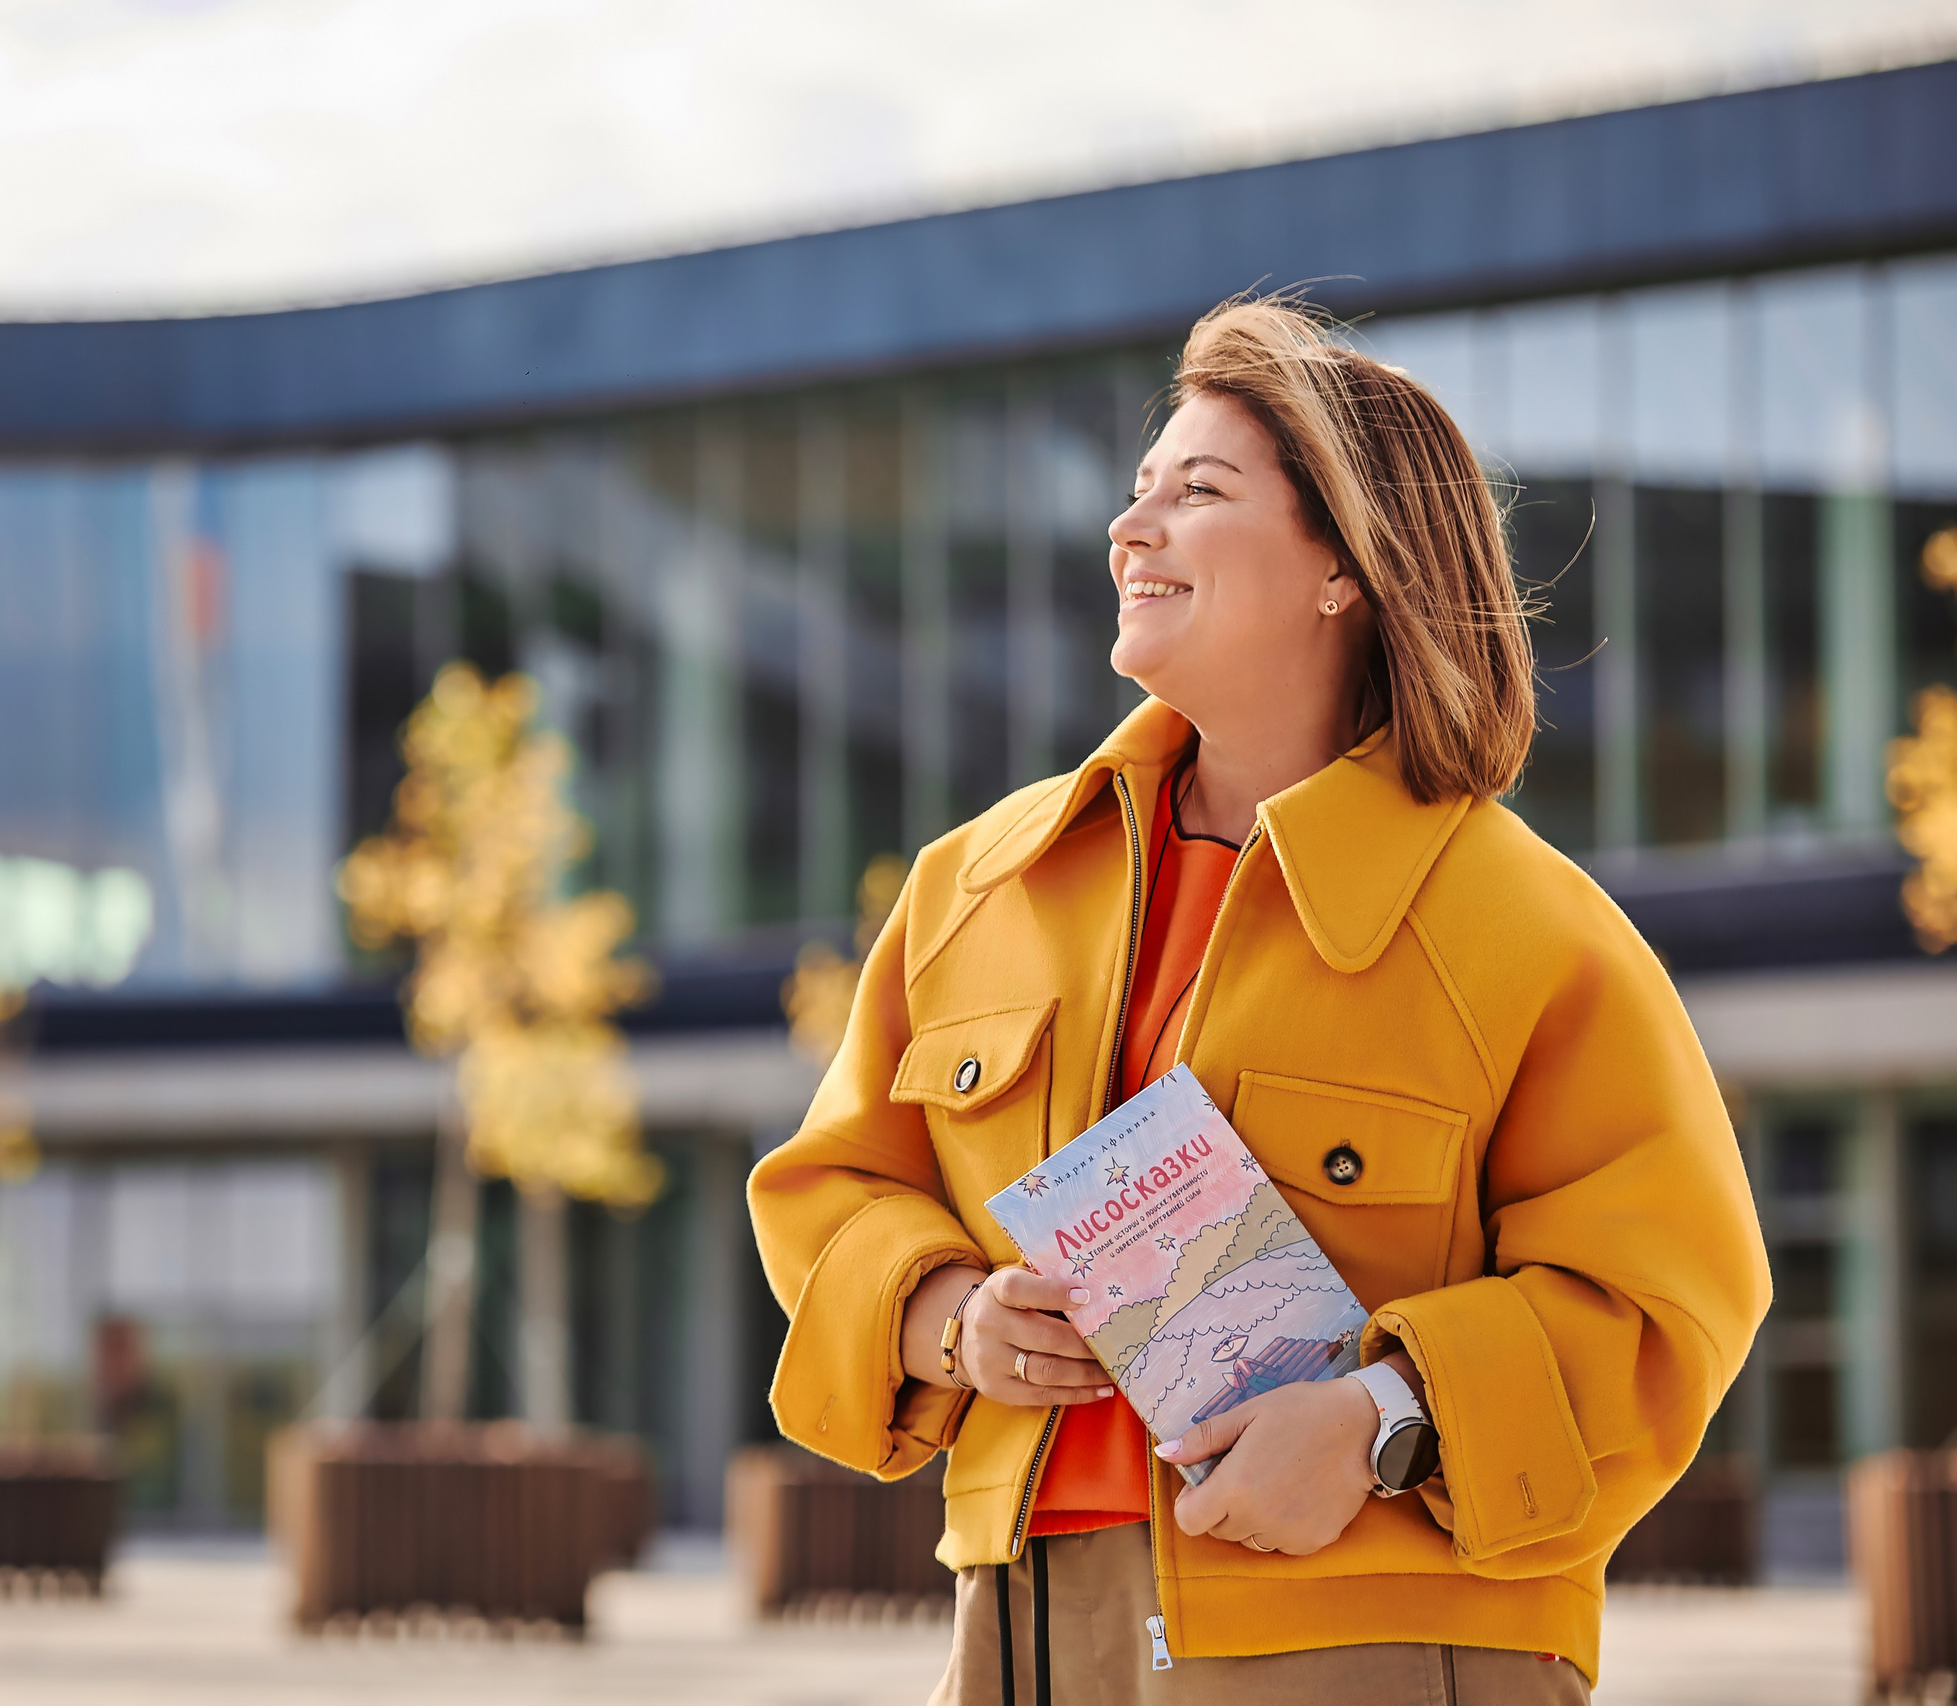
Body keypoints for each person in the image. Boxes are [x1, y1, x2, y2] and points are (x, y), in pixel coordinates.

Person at [746, 296, 1771, 1704]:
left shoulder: (1523, 927)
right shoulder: (973, 889)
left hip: (1381, 1642)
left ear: (1345, 565)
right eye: (1136, 490)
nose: (1131, 528)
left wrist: (1378, 1421)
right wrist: (951, 1315)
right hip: (1022, 1633)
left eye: (1199, 491)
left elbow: (1672, 1306)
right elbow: (833, 1192)